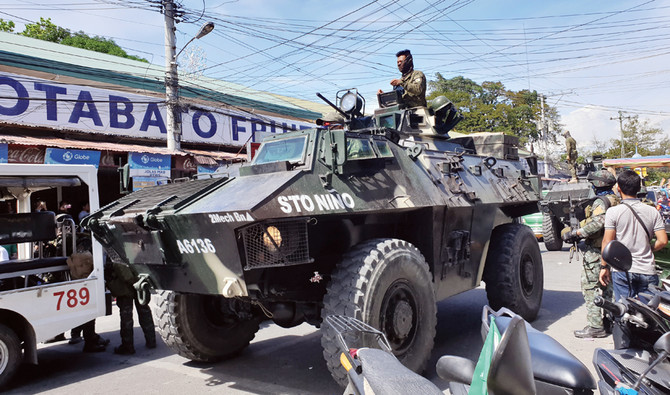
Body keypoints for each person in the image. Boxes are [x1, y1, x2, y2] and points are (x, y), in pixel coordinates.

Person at [561, 170, 619, 338]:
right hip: (612, 249)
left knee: (590, 287)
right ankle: (610, 322)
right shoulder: (616, 200)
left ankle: (595, 326)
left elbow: (598, 223)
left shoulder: (601, 202)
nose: (591, 185)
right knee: (608, 288)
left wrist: (576, 233)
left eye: (593, 183)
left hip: (597, 250)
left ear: (599, 184)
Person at [599, 170, 668, 301]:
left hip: (622, 271)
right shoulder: (652, 211)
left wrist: (604, 267)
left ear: (618, 188)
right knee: (648, 314)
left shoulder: (613, 212)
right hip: (647, 269)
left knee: (624, 313)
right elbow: (663, 241)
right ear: (638, 188)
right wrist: (649, 249)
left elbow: (607, 242)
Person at [105, 261, 156, 355]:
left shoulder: (117, 254)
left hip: (127, 290)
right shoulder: (134, 250)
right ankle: (151, 340)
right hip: (139, 285)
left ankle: (127, 346)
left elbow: (125, 274)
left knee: (126, 318)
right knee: (144, 312)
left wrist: (134, 282)